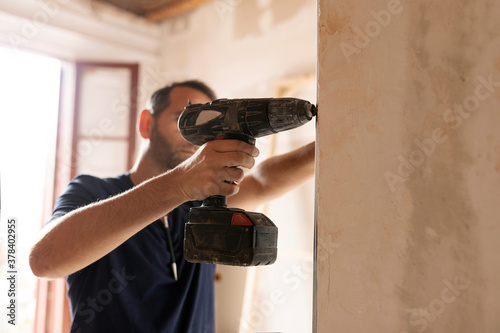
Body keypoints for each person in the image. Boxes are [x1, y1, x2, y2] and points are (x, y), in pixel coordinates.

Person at [29, 80, 315, 332]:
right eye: (185, 119)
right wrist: (179, 184)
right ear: (146, 124)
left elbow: (263, 182)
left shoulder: (201, 200)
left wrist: (328, 144)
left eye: (210, 125)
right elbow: (45, 260)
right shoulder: (93, 191)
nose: (199, 138)